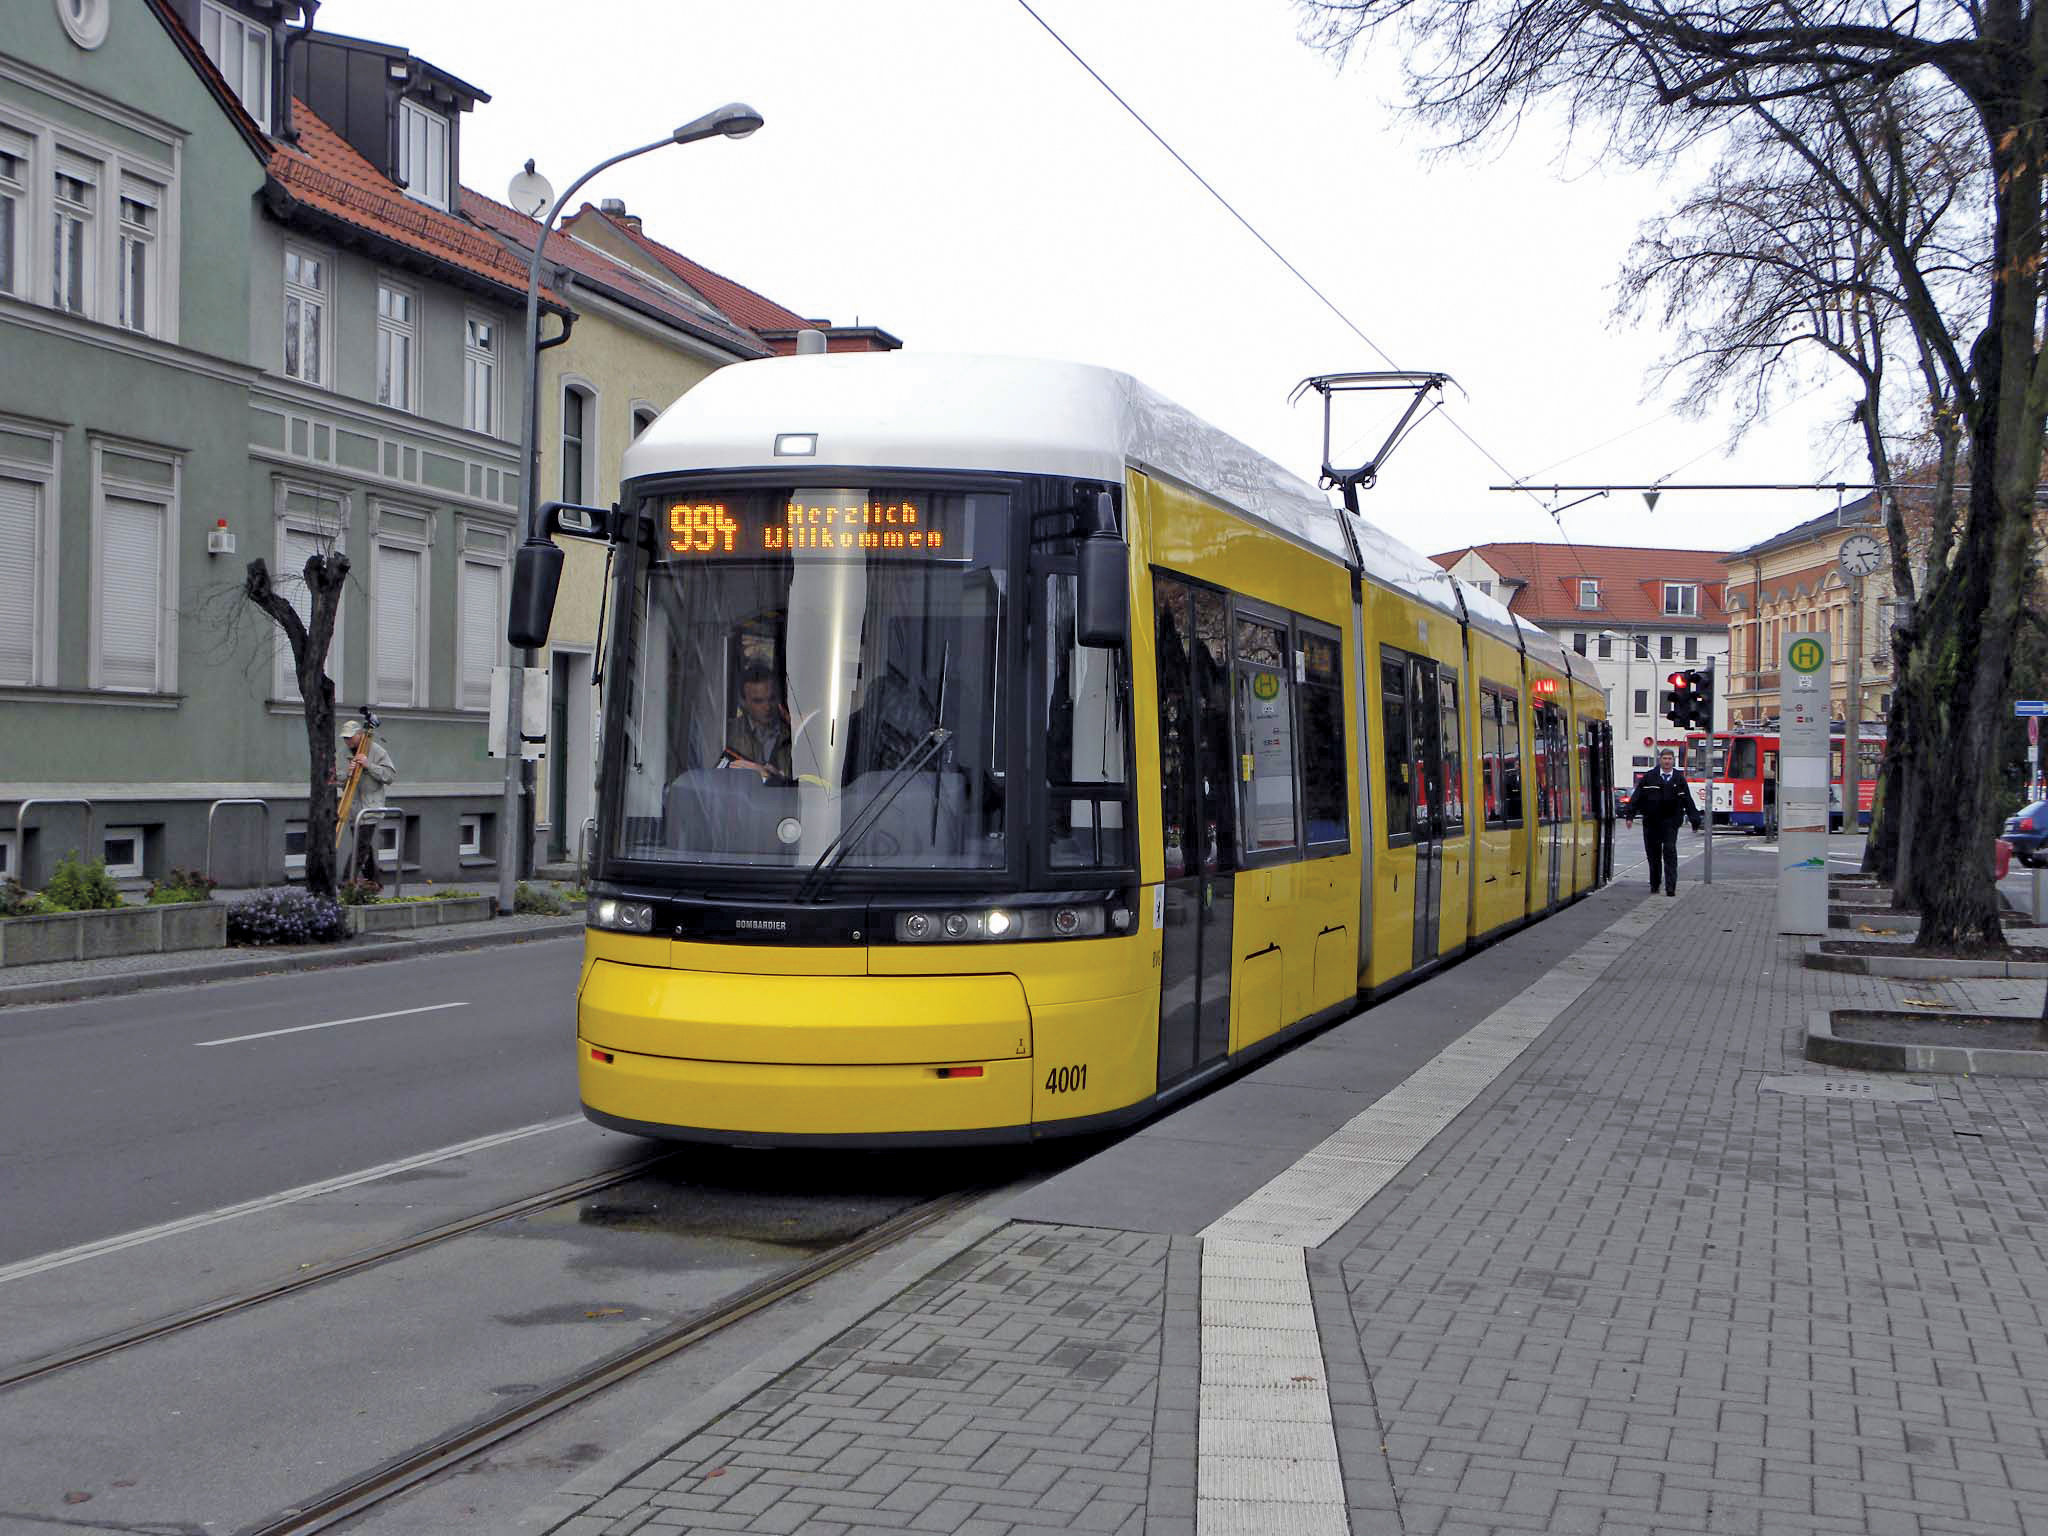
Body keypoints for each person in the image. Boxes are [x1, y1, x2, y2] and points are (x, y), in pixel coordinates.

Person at [1623, 747, 1702, 896]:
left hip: (1671, 822)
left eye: (1669, 759)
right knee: (1653, 855)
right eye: (1664, 758)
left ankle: (1670, 887)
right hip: (1651, 822)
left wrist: (1694, 820)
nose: (1667, 761)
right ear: (1660, 760)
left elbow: (1688, 800)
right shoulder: (1649, 777)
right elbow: (1637, 797)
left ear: (1673, 761)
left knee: (1670, 851)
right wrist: (1629, 815)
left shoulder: (1679, 779)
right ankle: (1655, 884)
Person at [339, 719, 397, 885]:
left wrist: (368, 765)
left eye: (350, 737)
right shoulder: (343, 753)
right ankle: (374, 881)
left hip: (370, 808)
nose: (347, 741)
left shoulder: (377, 751)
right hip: (352, 807)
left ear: (360, 735)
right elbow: (338, 779)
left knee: (360, 846)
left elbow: (390, 776)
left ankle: (346, 881)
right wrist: (346, 774)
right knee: (364, 847)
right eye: (345, 738)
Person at [722, 665, 792, 780]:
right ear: (743, 702)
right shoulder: (727, 733)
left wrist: (780, 781)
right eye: (758, 701)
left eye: (772, 699)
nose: (767, 707)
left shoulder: (792, 737)